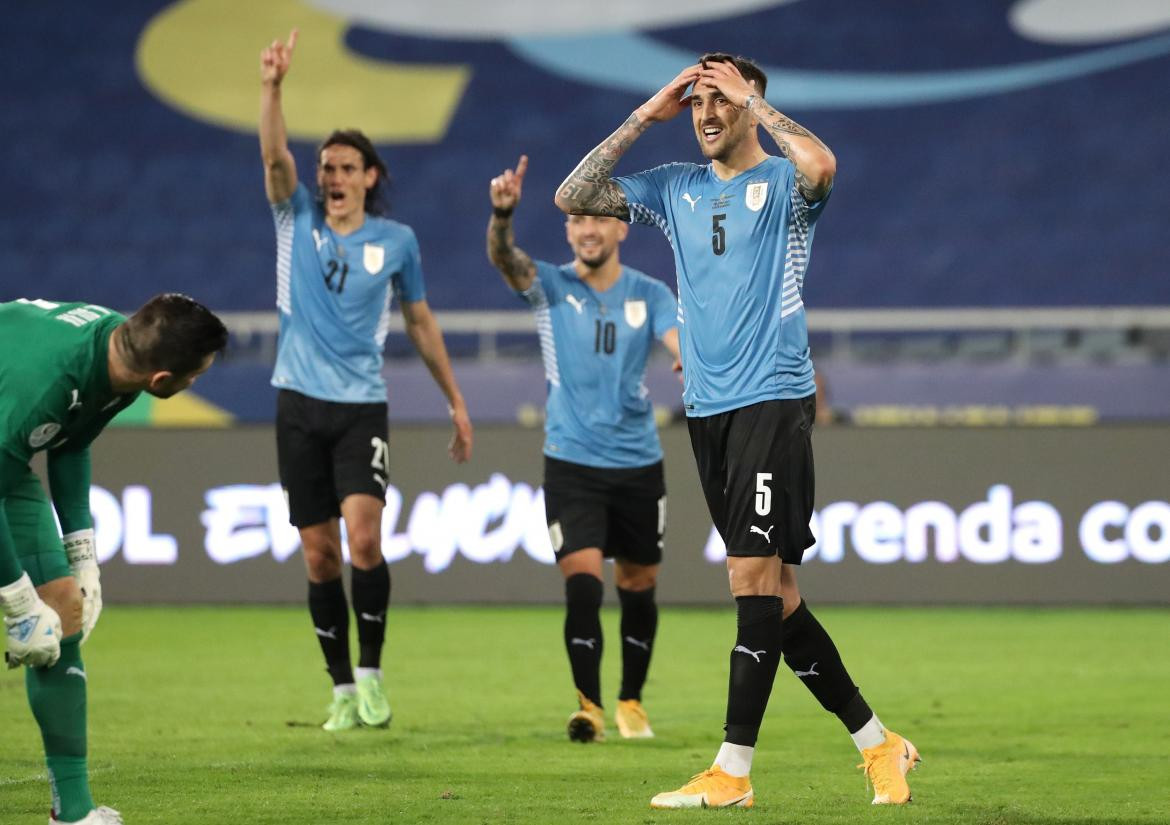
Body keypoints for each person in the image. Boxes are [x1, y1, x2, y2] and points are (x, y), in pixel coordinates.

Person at [556, 53, 919, 808]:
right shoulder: (672, 188)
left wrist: (754, 101)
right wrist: (646, 113)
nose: (707, 114)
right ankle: (879, 743)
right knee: (778, 597)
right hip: (709, 410)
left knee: (750, 581)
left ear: (750, 104)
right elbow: (574, 193)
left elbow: (823, 164)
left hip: (772, 397)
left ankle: (733, 770)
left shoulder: (784, 185)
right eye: (698, 103)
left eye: (719, 100)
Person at [259, 30, 473, 732]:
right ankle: (342, 687)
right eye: (326, 166)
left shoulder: (397, 242)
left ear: (369, 176)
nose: (333, 177)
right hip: (297, 403)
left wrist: (455, 401)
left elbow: (419, 321)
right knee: (318, 553)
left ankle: (374, 675)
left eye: (346, 166)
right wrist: (273, 89)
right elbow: (272, 157)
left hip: (359, 408)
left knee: (363, 540)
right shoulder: (296, 219)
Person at [0, 294, 227, 825]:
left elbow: (71, 443)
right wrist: (15, 601)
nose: (195, 383)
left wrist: (83, 558)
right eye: (194, 377)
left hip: (5, 460)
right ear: (163, 380)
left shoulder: (120, 353)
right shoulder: (47, 381)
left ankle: (73, 811)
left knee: (63, 609)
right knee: (33, 608)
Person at [487, 155, 681, 741]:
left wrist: (686, 358)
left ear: (622, 227)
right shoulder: (550, 286)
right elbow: (505, 258)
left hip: (638, 463)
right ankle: (589, 707)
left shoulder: (650, 293)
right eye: (578, 220)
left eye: (600, 218)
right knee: (583, 582)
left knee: (640, 584)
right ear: (568, 230)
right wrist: (502, 217)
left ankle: (631, 701)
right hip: (571, 461)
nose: (589, 229)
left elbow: (677, 340)